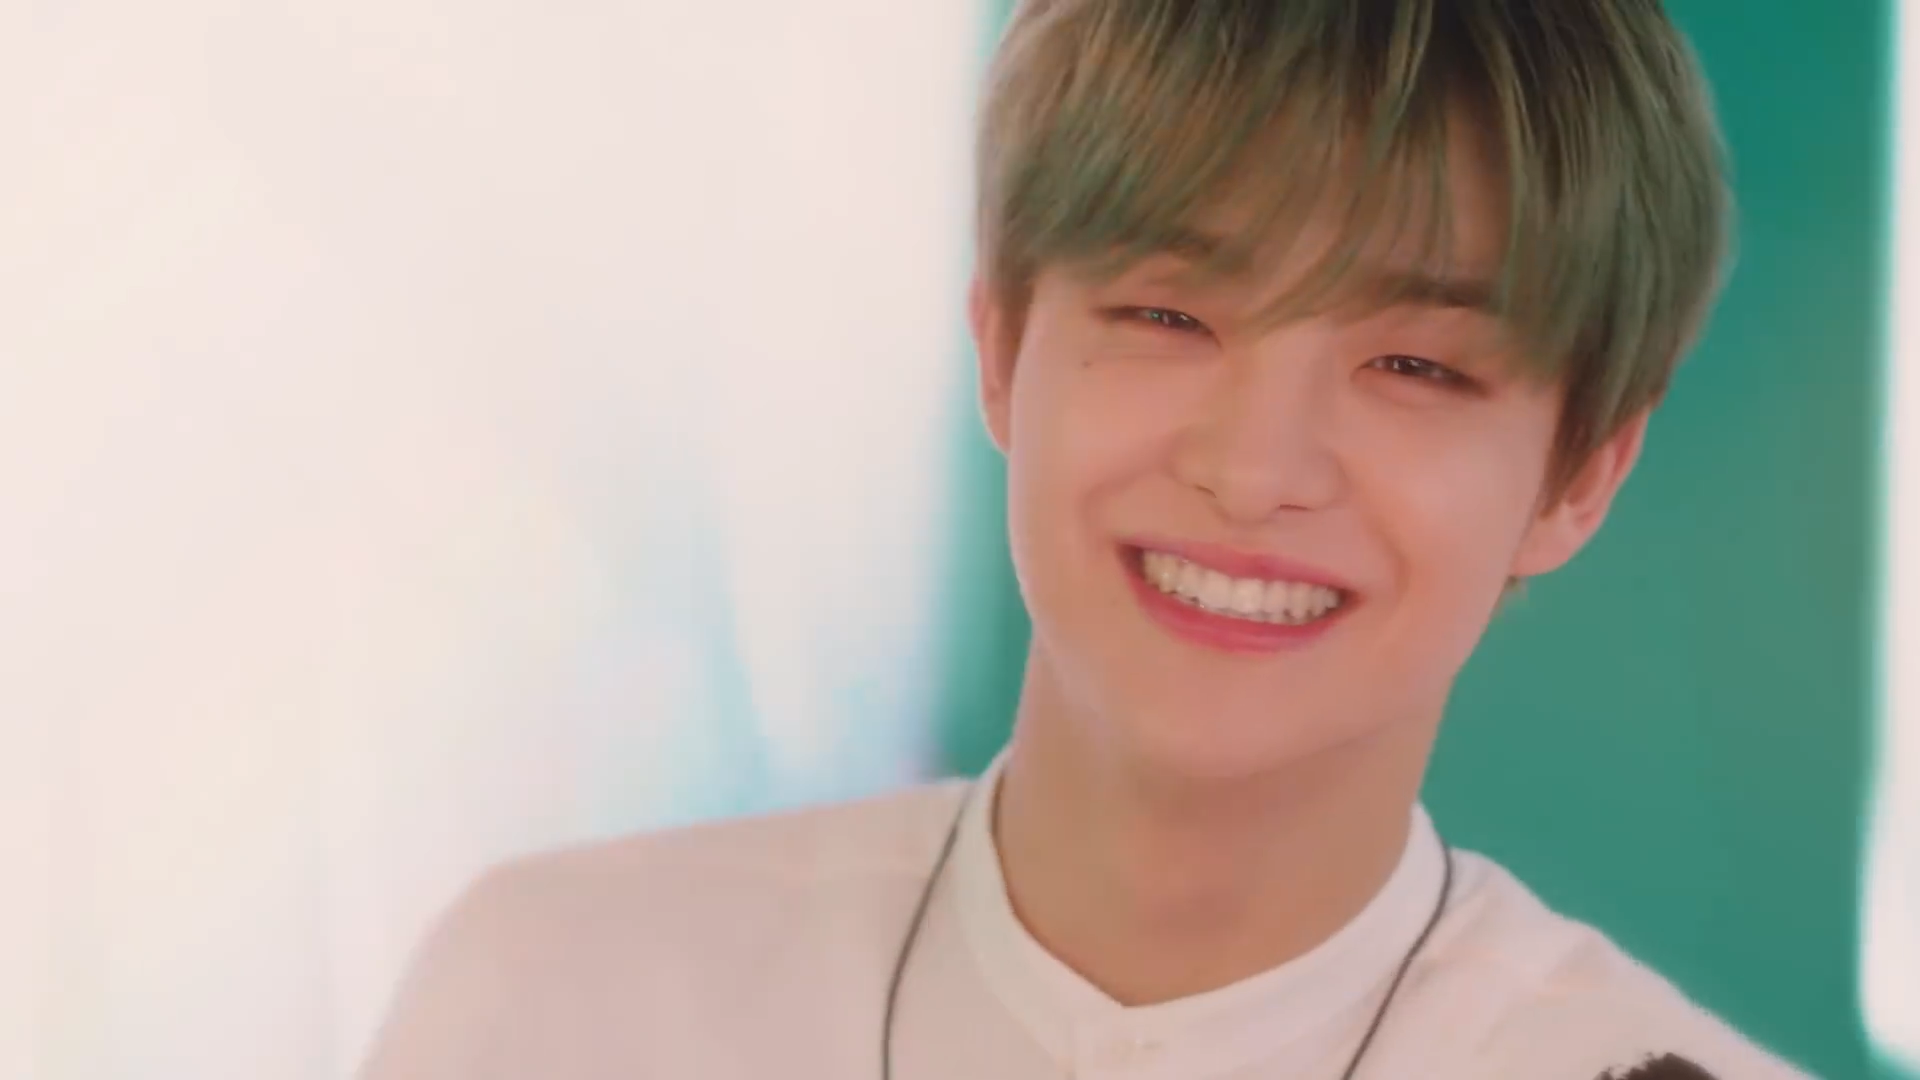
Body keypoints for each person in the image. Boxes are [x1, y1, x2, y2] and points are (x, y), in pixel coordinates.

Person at [359, 2, 1813, 1077]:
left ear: (1581, 473)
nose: (1254, 471)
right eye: (1169, 315)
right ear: (1001, 346)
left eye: (1416, 366)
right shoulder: (562, 997)